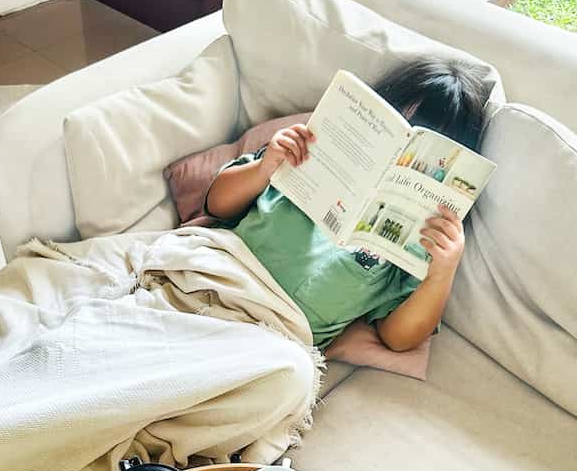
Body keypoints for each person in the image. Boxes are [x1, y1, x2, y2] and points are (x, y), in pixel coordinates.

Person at [205, 57, 491, 354]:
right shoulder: (304, 149)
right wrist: (264, 168)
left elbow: (398, 338)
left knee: (294, 371)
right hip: (220, 274)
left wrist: (442, 274)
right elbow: (216, 204)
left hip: (277, 335)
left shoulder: (418, 242)